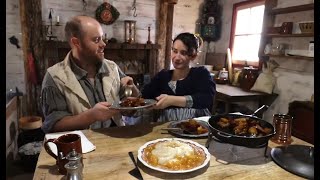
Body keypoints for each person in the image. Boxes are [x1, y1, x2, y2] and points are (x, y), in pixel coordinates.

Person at [41, 15, 140, 133]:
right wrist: (91, 116)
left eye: (102, 38)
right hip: (79, 147)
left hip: (116, 140)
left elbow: (130, 109)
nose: (103, 44)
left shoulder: (112, 67)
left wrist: (132, 88)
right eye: (96, 40)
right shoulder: (55, 77)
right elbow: (53, 125)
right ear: (76, 42)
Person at [142, 32, 216, 122]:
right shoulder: (162, 76)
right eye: (175, 51)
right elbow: (144, 96)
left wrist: (172, 100)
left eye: (183, 53)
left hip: (197, 128)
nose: (177, 57)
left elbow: (207, 99)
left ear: (193, 56)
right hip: (165, 129)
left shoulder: (201, 74)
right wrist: (132, 88)